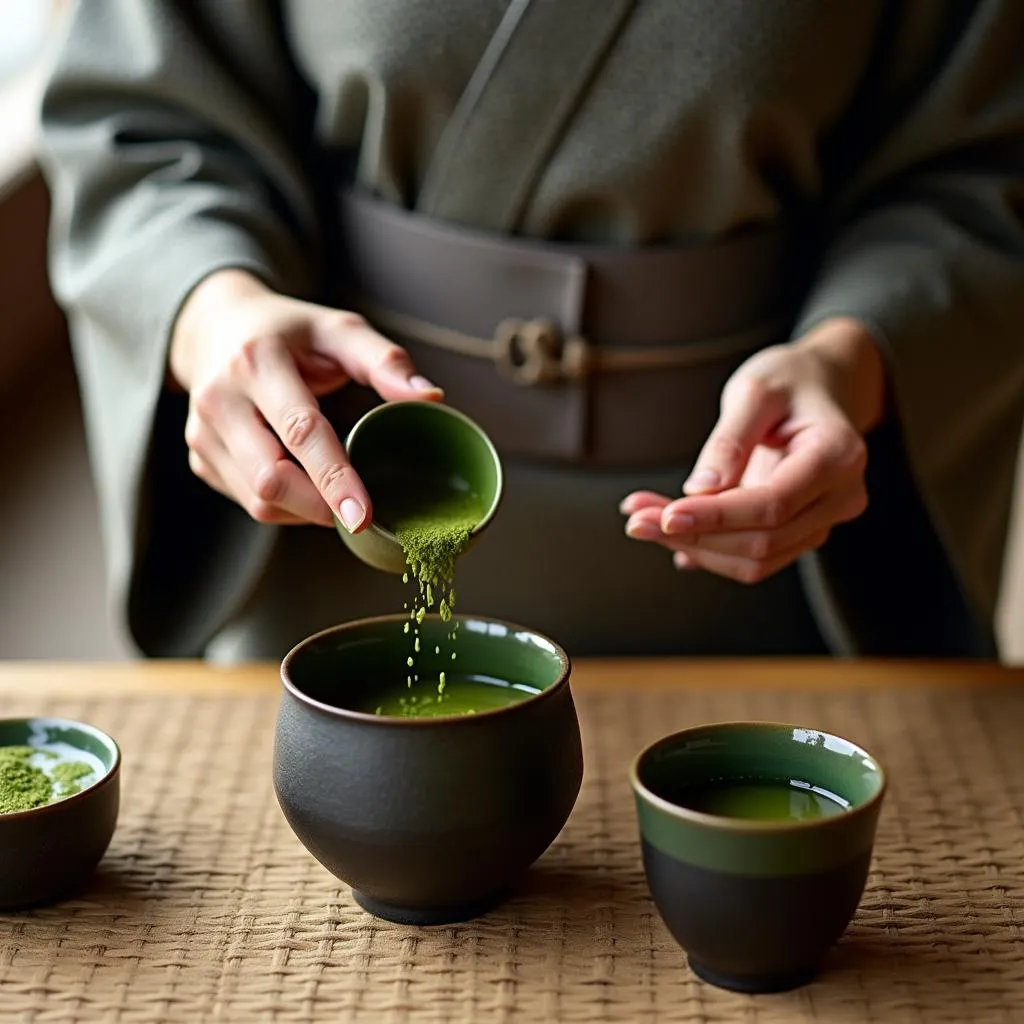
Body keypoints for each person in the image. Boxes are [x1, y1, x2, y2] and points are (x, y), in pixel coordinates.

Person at [38, 0, 1024, 661]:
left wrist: (852, 355)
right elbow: (143, 114)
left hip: (756, 544)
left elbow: (982, 166)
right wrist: (210, 306)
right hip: (335, 517)